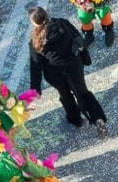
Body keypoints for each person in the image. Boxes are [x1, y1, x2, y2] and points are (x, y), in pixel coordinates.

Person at [28, 6, 106, 135]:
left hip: (55, 74)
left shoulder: (35, 41)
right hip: (74, 66)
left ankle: (75, 120)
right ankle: (97, 118)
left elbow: (35, 66)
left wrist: (35, 89)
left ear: (34, 23)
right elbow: (78, 39)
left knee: (65, 95)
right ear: (47, 15)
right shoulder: (63, 23)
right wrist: (86, 58)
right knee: (82, 92)